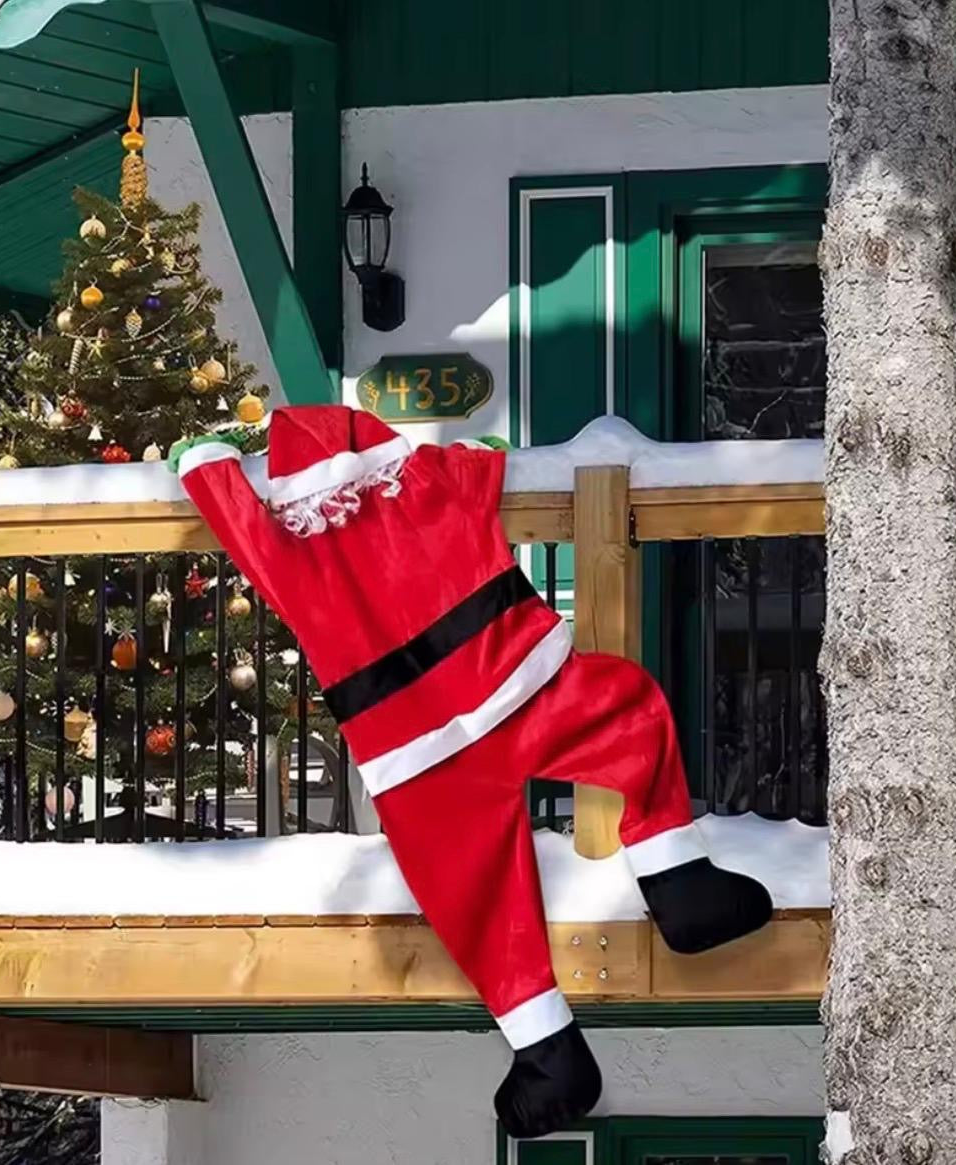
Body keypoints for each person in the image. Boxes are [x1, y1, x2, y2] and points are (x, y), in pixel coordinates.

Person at [169, 405, 773, 1139]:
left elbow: (235, 516)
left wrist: (206, 460)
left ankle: (546, 1048)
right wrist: (479, 450)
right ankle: (676, 875)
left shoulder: (290, 549)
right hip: (520, 684)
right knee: (630, 715)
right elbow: (483, 457)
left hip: (414, 749)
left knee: (479, 902)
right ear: (384, 451)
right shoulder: (432, 480)